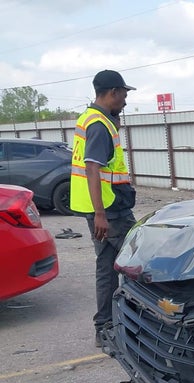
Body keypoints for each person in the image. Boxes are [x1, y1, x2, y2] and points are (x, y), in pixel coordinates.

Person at [70, 70, 137, 348]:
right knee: (140, 262)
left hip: (101, 210)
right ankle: (148, 325)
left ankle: (105, 328)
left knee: (107, 268)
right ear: (112, 92)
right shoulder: (99, 125)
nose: (125, 99)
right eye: (124, 93)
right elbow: (93, 168)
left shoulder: (92, 118)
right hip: (109, 211)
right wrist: (100, 214)